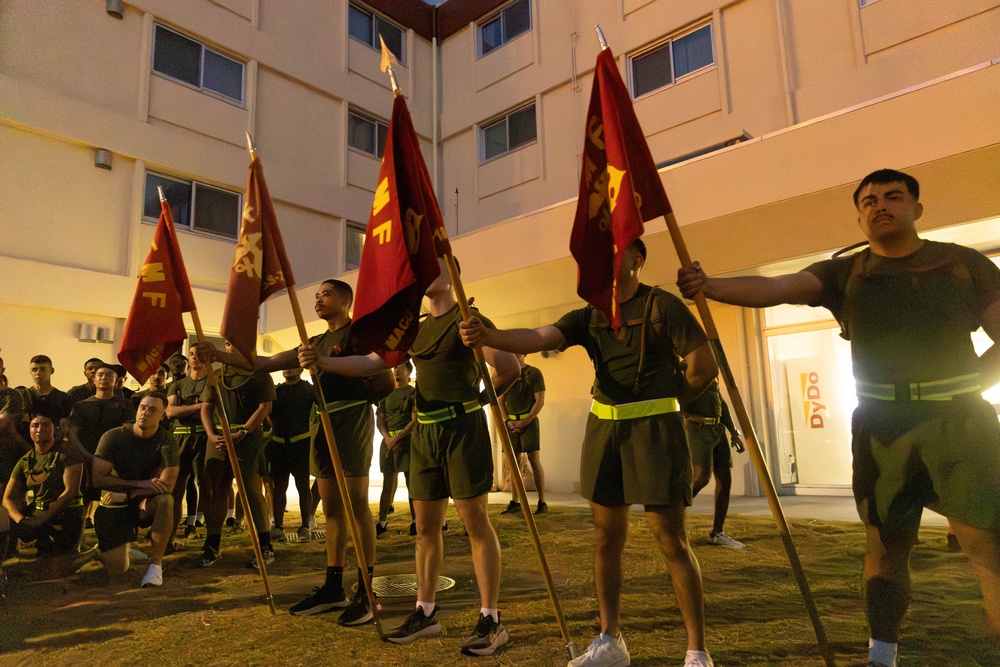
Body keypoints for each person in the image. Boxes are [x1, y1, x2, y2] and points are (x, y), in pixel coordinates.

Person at [676, 169, 1000, 667]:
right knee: (885, 543)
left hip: (959, 423)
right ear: (859, 216)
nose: (880, 206)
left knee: (985, 544)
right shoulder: (845, 273)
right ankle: (882, 656)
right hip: (880, 424)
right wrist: (709, 285)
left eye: (894, 197)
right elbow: (780, 287)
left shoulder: (963, 264)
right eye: (868, 201)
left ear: (917, 208)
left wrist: (967, 387)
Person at [462, 239, 719, 667]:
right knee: (605, 538)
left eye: (614, 252)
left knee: (670, 537)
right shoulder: (590, 314)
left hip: (656, 430)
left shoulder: (662, 306)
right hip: (604, 430)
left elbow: (703, 367)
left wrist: (664, 401)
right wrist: (490, 336)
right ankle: (610, 640)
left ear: (637, 260)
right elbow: (542, 334)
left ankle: (697, 651)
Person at [298, 263, 520, 656]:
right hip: (426, 434)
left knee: (475, 523)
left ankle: (491, 619)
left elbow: (509, 368)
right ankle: (425, 611)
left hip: (462, 430)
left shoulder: (467, 318)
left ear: (452, 274)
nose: (425, 274)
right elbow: (373, 363)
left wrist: (476, 404)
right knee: (424, 530)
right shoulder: (413, 327)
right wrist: (323, 362)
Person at [198, 343, 274, 570]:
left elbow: (264, 407)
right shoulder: (217, 374)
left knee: (251, 491)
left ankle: (264, 546)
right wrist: (211, 434)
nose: (232, 347)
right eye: (228, 343)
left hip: (247, 438)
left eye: (236, 342)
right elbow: (205, 407)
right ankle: (212, 545)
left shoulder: (260, 373)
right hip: (219, 438)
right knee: (214, 490)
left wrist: (244, 432)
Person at [92, 393, 178, 587]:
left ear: (162, 415)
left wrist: (129, 492)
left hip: (140, 502)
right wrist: (140, 484)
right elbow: (98, 479)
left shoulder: (167, 441)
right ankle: (106, 550)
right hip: (115, 504)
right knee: (117, 571)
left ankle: (155, 565)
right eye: (142, 407)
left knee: (166, 500)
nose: (145, 412)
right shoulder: (114, 436)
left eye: (152, 409)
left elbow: (167, 485)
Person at [2, 412, 85, 579]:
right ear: (30, 430)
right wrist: (22, 520)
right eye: (35, 426)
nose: (40, 429)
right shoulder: (25, 460)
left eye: (46, 425)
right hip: (38, 516)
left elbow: (70, 492)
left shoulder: (68, 452)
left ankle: (92, 553)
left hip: (65, 515)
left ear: (54, 428)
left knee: (57, 572)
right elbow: (8, 498)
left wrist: (42, 519)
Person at [66, 364, 135, 529]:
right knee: (81, 500)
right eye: (100, 375)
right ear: (93, 380)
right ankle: (77, 540)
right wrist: (85, 455)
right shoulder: (81, 406)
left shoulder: (125, 405)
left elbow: (128, 432)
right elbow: (72, 435)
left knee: (117, 501)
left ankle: (117, 542)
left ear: (116, 380)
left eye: (108, 375)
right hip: (85, 458)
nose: (104, 378)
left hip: (115, 460)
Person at [682, 380, 745, 549]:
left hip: (718, 429)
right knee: (701, 478)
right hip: (698, 431)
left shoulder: (710, 371)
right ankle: (671, 517)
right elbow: (673, 399)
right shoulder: (683, 370)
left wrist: (733, 432)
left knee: (725, 479)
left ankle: (717, 533)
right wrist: (688, 416)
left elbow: (721, 401)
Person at [267, 367, 315, 542]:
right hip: (279, 444)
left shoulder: (310, 390)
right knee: (279, 487)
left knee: (303, 486)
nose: (287, 369)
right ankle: (278, 526)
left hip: (301, 444)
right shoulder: (276, 391)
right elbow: (267, 412)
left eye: (292, 364)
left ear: (301, 368)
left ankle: (305, 526)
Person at [166, 347, 210, 541]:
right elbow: (171, 412)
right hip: (180, 438)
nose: (195, 358)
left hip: (204, 438)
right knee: (176, 488)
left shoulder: (213, 383)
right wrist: (201, 406)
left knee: (207, 487)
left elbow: (213, 411)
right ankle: (171, 535)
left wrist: (186, 409)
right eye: (191, 354)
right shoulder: (178, 385)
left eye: (199, 354)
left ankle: (210, 537)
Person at [497, 354, 548, 516]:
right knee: (513, 462)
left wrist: (526, 421)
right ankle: (515, 501)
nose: (514, 354)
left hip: (529, 423)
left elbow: (540, 400)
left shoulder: (534, 373)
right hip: (511, 424)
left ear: (524, 354)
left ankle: (542, 501)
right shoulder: (506, 374)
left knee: (534, 460)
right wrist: (507, 420)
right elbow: (500, 399)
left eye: (518, 351)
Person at [375, 362, 417, 536]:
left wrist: (397, 438)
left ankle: (415, 521)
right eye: (394, 368)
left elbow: (414, 420)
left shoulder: (413, 393)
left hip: (407, 442)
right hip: (388, 443)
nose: (396, 370)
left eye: (400, 367)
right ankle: (382, 521)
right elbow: (380, 419)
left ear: (409, 371)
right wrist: (387, 438)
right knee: (388, 484)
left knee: (412, 484)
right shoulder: (385, 393)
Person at [21, 355, 72, 427]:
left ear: (52, 370)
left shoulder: (63, 398)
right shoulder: (22, 396)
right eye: (34, 370)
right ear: (30, 372)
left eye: (42, 369)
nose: (38, 373)